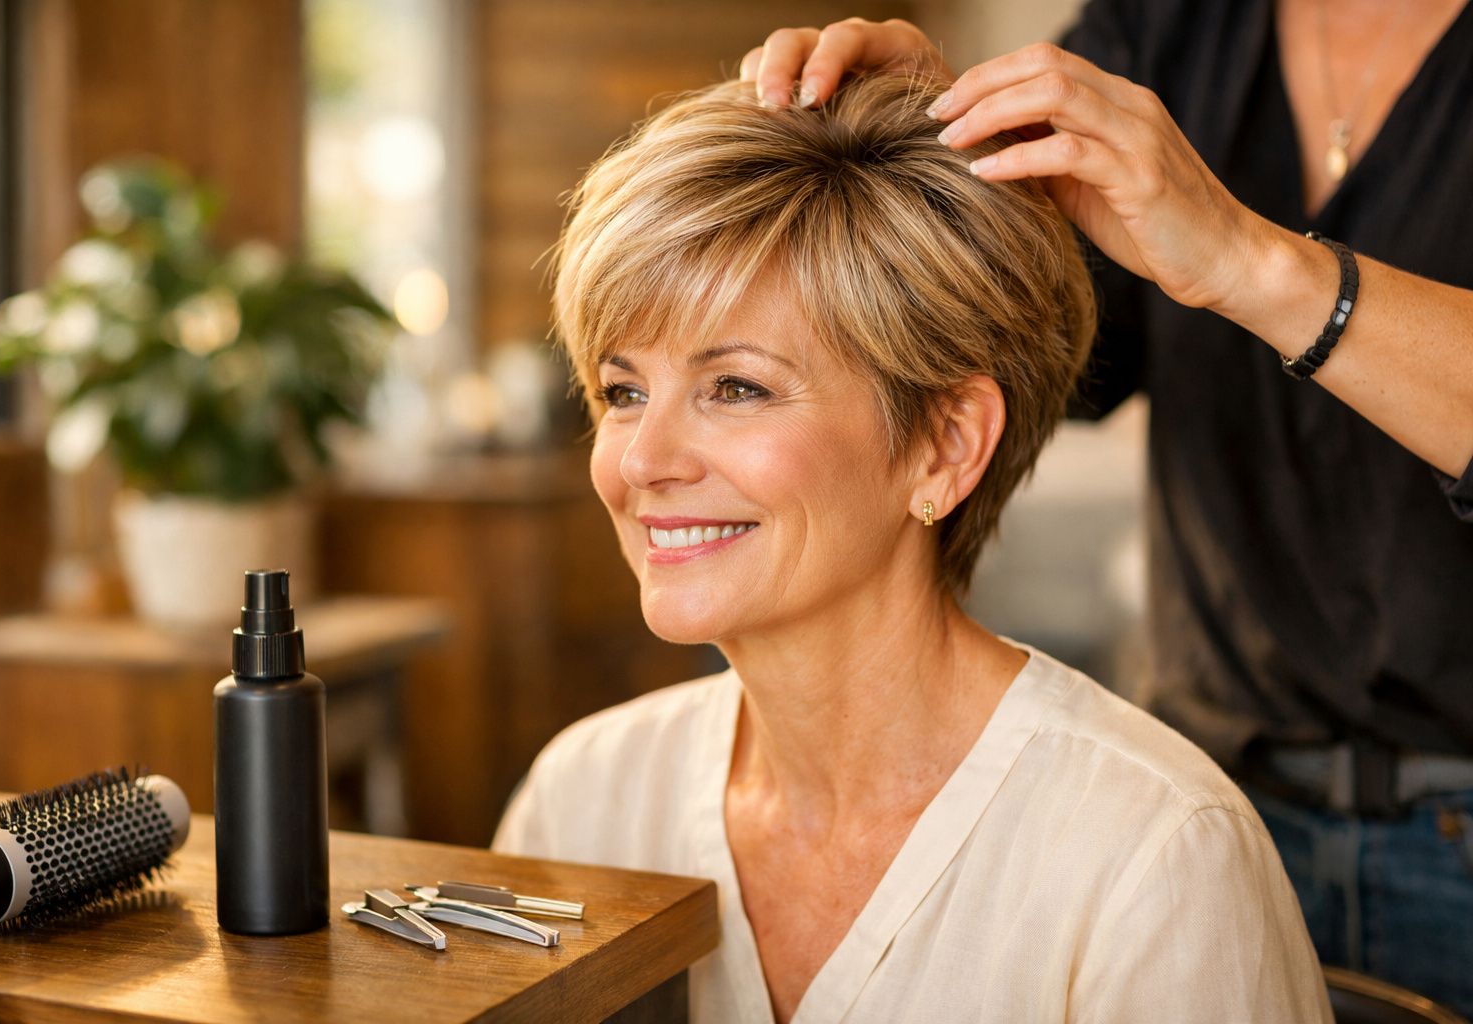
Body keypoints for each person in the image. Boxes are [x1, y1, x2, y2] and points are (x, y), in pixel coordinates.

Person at [492, 71, 1329, 1022]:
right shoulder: (585, 797)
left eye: (737, 388)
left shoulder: (1155, 852)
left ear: (945, 445)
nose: (642, 460)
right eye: (623, 391)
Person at [736, 1, 1473, 1014]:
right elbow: (1035, 348)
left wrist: (1248, 258)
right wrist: (933, 156)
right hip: (1213, 796)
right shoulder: (1166, 28)